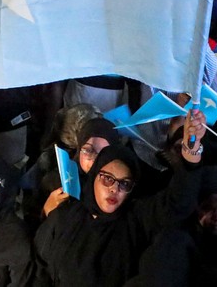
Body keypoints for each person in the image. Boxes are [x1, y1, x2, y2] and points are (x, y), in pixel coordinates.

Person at [34, 113, 206, 286]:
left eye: (124, 184)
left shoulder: (136, 220)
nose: (114, 189)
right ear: (94, 177)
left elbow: (178, 203)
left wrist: (191, 150)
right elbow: (40, 269)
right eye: (108, 179)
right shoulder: (65, 217)